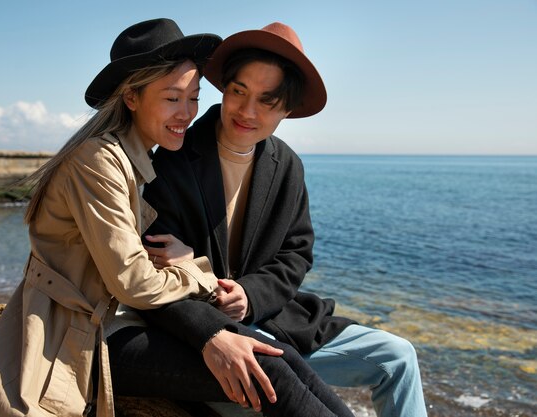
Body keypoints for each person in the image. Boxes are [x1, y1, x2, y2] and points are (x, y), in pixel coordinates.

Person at [0, 18, 353, 417]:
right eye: (172, 98)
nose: (188, 113)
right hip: (91, 333)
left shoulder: (138, 162)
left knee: (283, 360)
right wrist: (201, 273)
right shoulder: (97, 162)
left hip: (132, 321)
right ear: (132, 97)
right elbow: (135, 282)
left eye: (193, 98)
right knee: (270, 371)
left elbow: (294, 252)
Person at [142, 22, 429, 417]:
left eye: (267, 101)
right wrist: (208, 282)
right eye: (238, 92)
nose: (246, 111)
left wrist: (251, 295)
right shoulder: (174, 157)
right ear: (224, 89)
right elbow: (150, 272)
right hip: (208, 333)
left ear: (288, 110)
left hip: (278, 321)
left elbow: (296, 254)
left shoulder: (287, 164)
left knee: (398, 356)